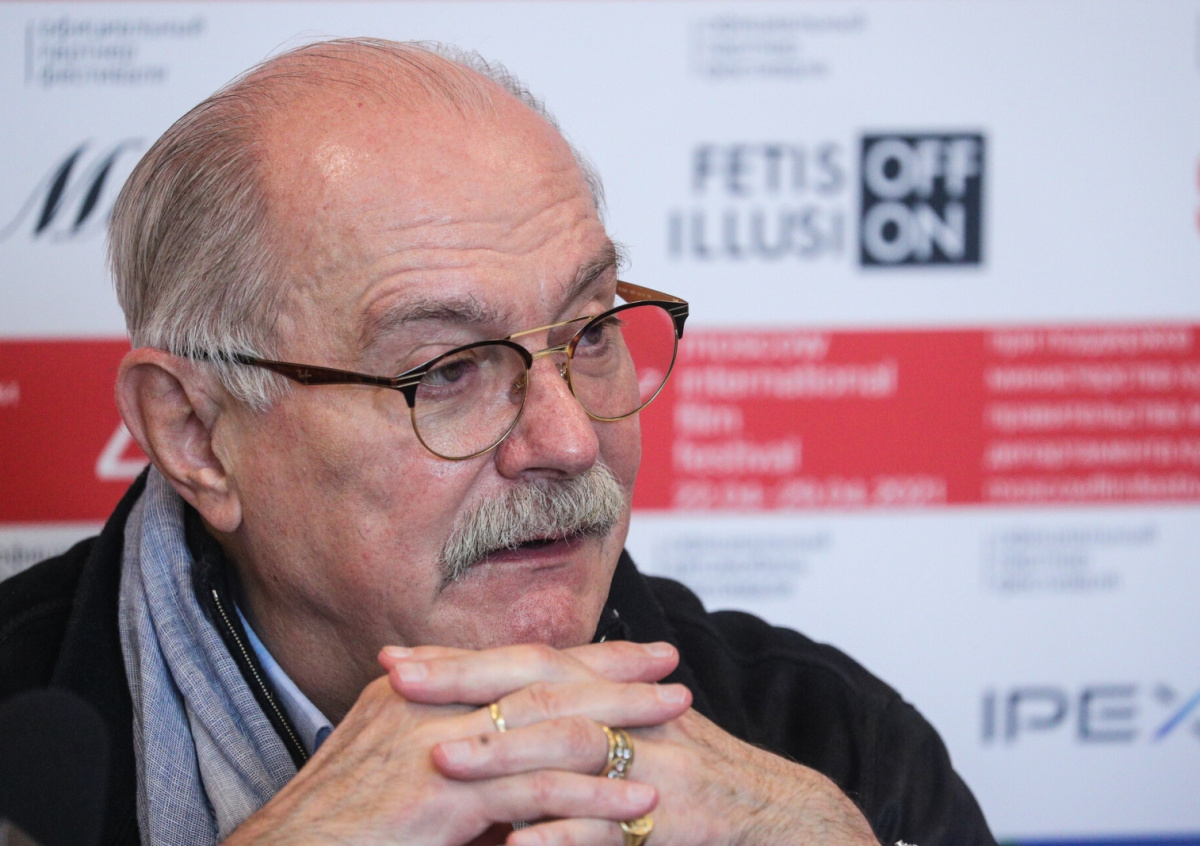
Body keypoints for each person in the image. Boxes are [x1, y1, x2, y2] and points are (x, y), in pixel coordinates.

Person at [0, 38, 995, 846]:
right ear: (197, 436)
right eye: (446, 370)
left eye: (591, 334)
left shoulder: (826, 748)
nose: (569, 440)